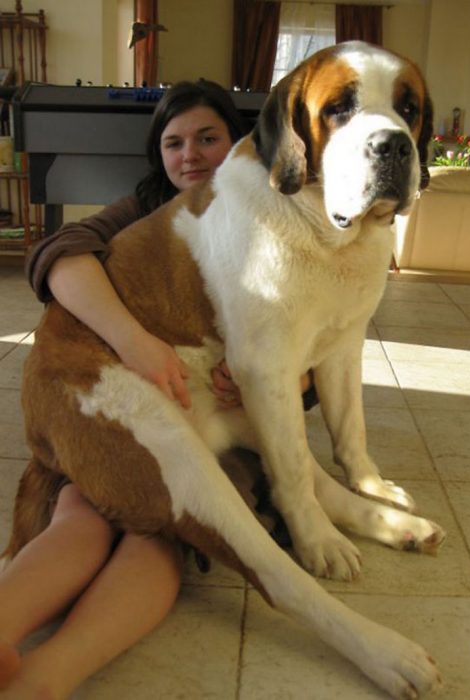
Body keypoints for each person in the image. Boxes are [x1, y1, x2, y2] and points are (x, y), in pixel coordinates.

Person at [0, 79, 256, 700]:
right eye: (173, 143)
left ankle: (46, 677)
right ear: (158, 157)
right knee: (81, 505)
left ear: (241, 146)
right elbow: (59, 254)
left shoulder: (268, 224)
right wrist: (138, 342)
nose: (189, 154)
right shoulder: (140, 212)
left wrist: (271, 379)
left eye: (207, 138)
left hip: (212, 426)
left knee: (159, 531)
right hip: (114, 414)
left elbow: (311, 343)